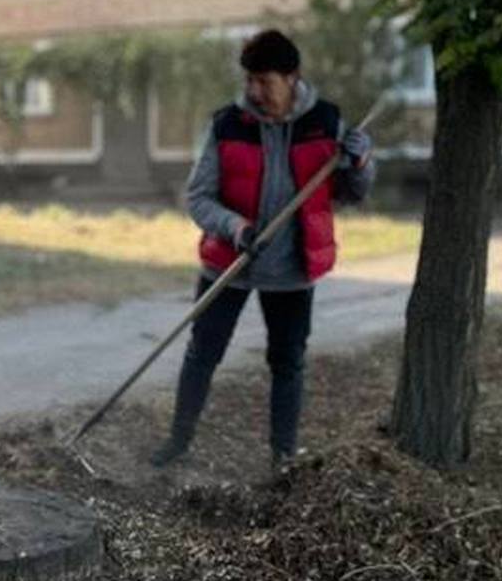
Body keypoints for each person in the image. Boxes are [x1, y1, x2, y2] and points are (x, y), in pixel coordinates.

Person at [150, 28, 376, 471]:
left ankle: (282, 456)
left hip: (293, 268)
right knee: (202, 353)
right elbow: (198, 197)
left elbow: (352, 193)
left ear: (292, 78)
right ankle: (178, 441)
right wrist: (235, 227)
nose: (254, 91)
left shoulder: (325, 122)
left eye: (265, 81)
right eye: (249, 81)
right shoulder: (228, 124)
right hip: (229, 263)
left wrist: (362, 163)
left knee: (288, 363)